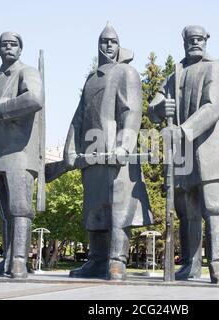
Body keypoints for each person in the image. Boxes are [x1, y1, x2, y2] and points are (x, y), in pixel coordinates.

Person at [61, 22, 153, 280]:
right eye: (104, 41)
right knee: (95, 208)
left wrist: (125, 144)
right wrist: (70, 148)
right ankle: (97, 260)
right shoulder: (91, 79)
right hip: (92, 154)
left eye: (112, 41)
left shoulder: (127, 73)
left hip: (116, 154)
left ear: (119, 44)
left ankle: (117, 260)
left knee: (118, 209)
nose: (108, 45)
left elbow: (131, 111)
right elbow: (78, 117)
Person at [148, 25, 219, 284]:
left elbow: (214, 105)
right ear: (184, 42)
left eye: (199, 39)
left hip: (210, 151)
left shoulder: (215, 67)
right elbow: (153, 106)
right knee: (186, 211)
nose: (195, 43)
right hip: (182, 155)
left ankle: (218, 266)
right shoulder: (176, 72)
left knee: (214, 207)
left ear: (206, 40)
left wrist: (183, 130)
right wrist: (161, 107)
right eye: (190, 39)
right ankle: (190, 265)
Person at [0, 32, 45, 278]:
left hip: (19, 153)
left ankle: (18, 261)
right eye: (4, 44)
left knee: (20, 208)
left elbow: (35, 98)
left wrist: (4, 108)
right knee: (4, 213)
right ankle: (7, 259)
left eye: (13, 44)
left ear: (20, 49)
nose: (8, 48)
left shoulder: (28, 72)